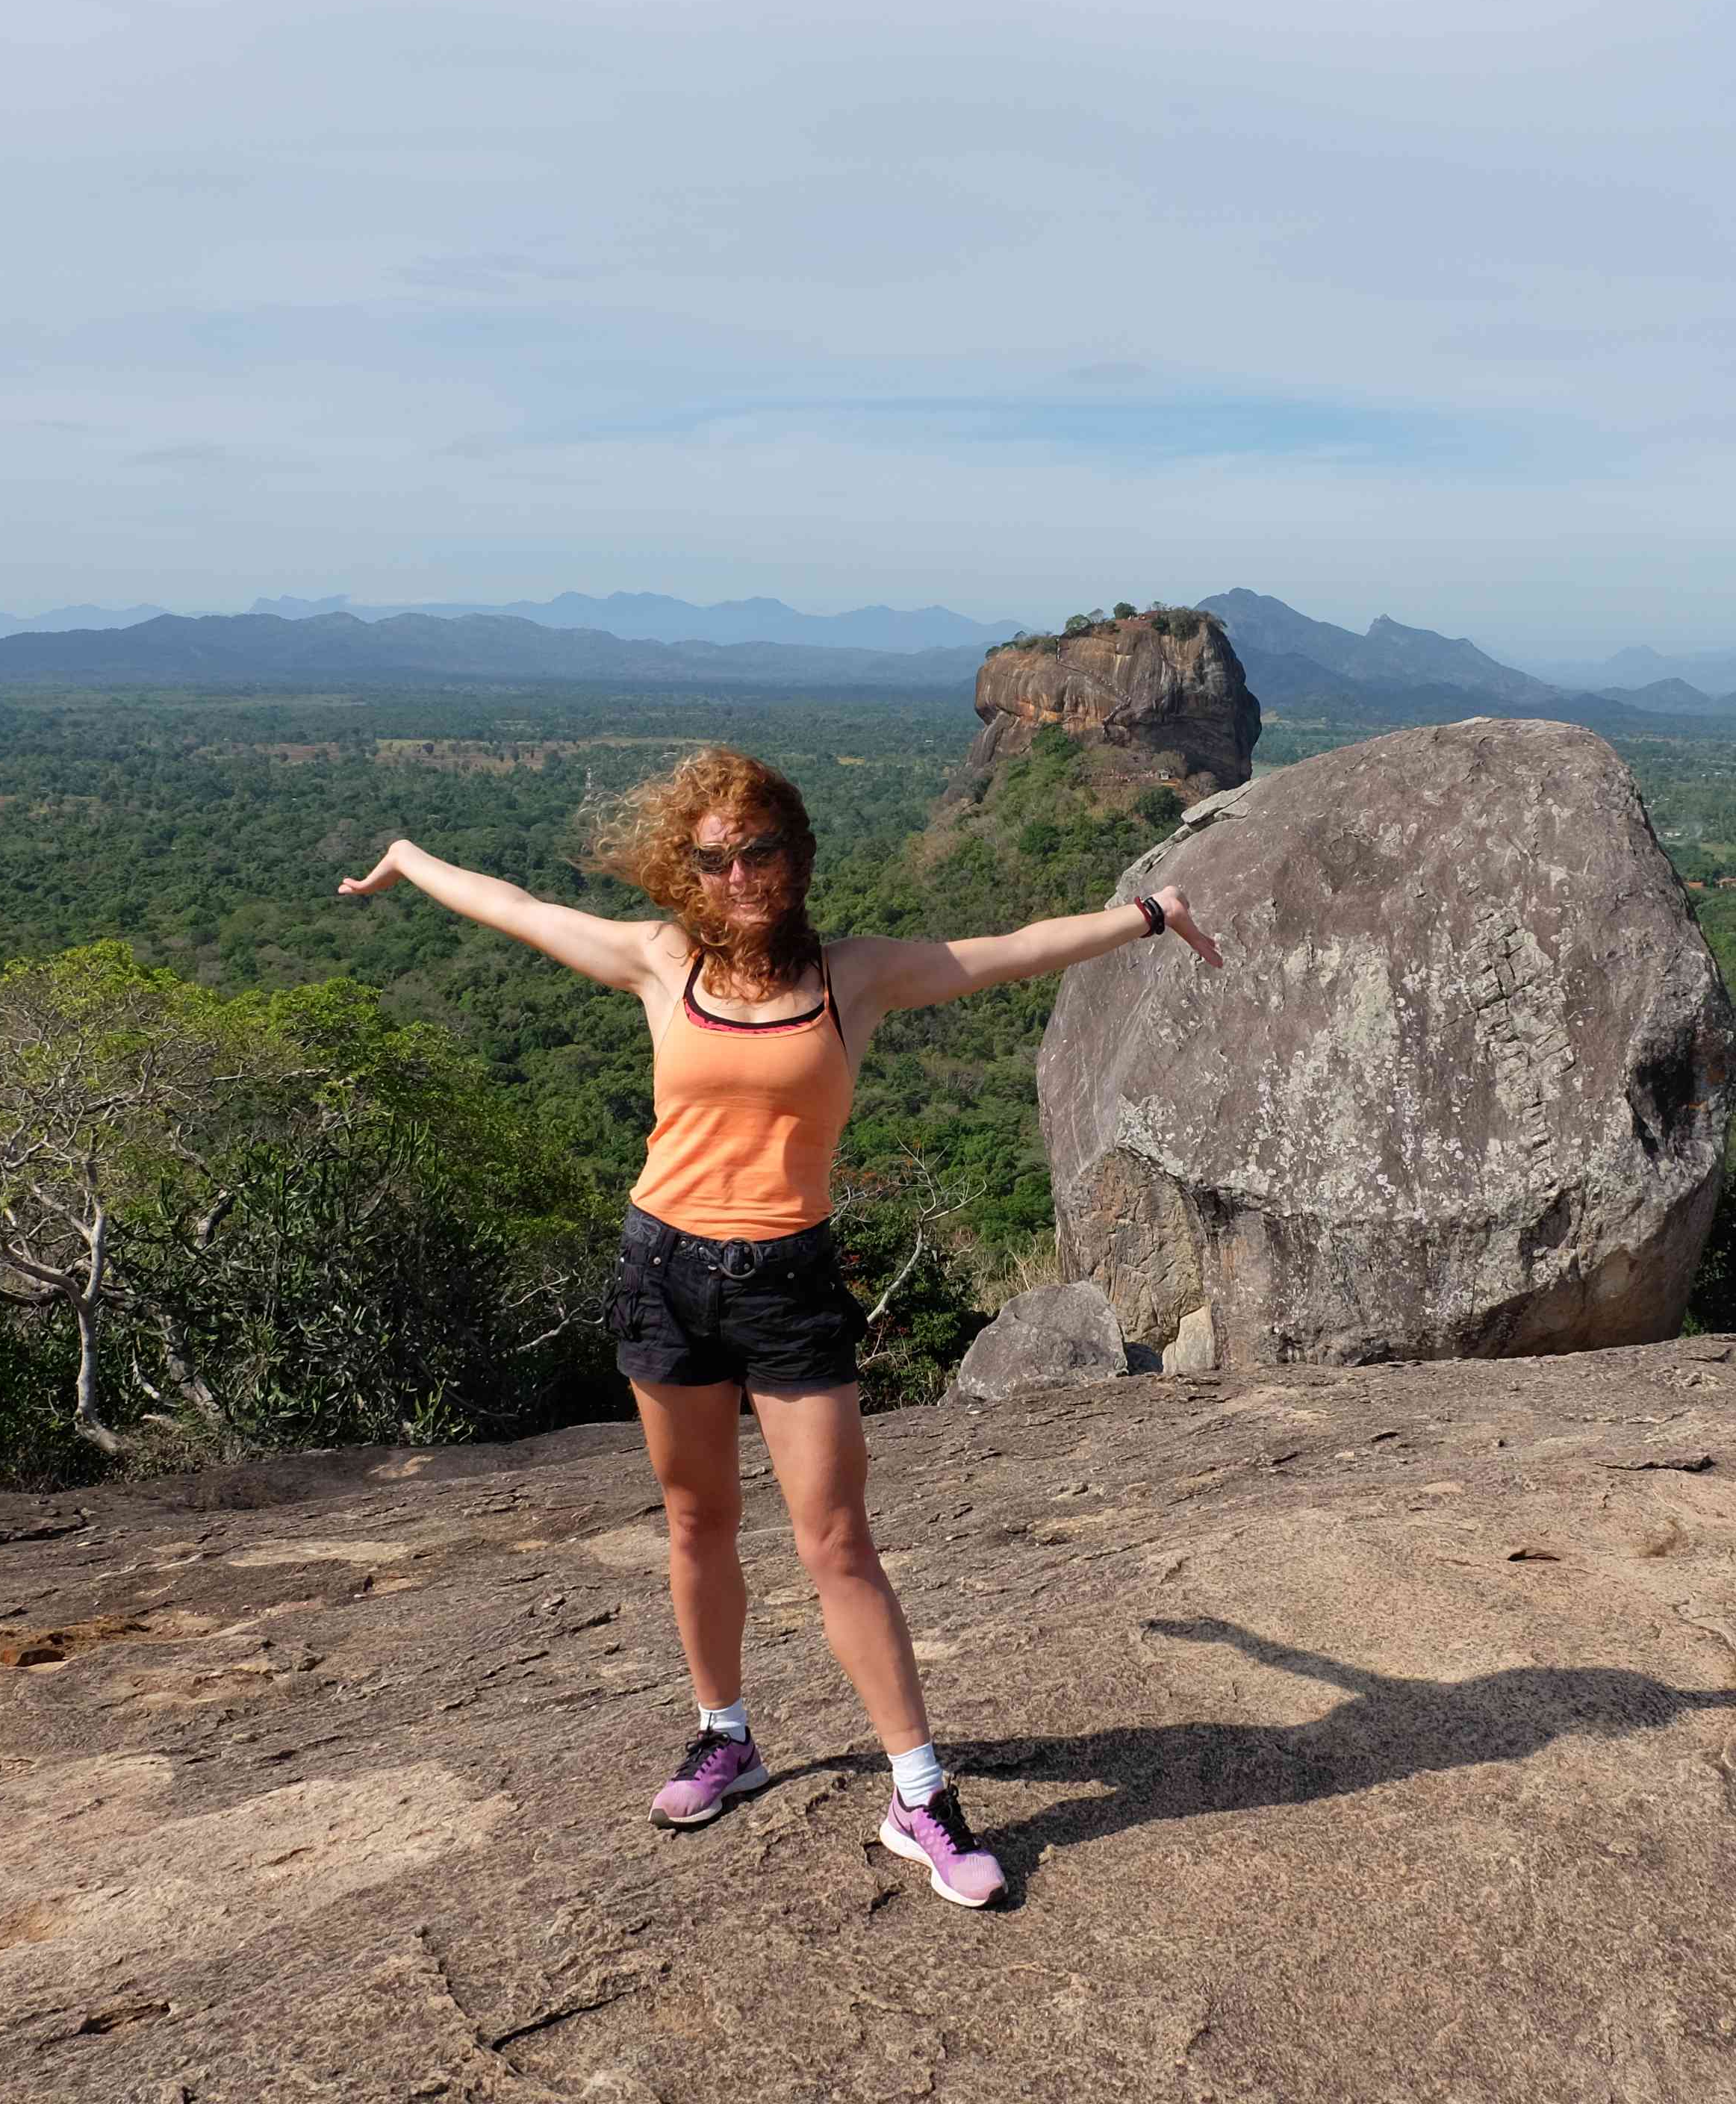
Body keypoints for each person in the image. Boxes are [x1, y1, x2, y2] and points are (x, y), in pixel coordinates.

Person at [338, 747, 1221, 1908]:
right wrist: (409, 858)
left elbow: (1014, 948)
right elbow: (519, 910)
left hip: (787, 1283)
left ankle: (919, 1795)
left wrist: (1149, 914)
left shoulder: (855, 976)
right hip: (663, 1270)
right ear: (688, 872)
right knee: (696, 1520)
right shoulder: (663, 962)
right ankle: (726, 1736)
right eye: (715, 860)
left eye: (759, 851)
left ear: (795, 857)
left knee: (836, 1541)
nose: (740, 875)